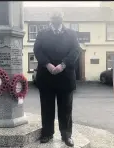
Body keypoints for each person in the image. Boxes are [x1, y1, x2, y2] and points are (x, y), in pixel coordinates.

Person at [33, 11, 81, 147]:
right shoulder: (42, 33)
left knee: (66, 108)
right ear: (50, 19)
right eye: (54, 17)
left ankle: (66, 136)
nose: (56, 19)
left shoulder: (71, 34)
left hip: (65, 77)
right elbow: (37, 50)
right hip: (46, 76)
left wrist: (63, 65)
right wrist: (47, 64)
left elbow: (75, 51)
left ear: (62, 18)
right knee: (47, 108)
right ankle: (47, 133)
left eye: (58, 17)